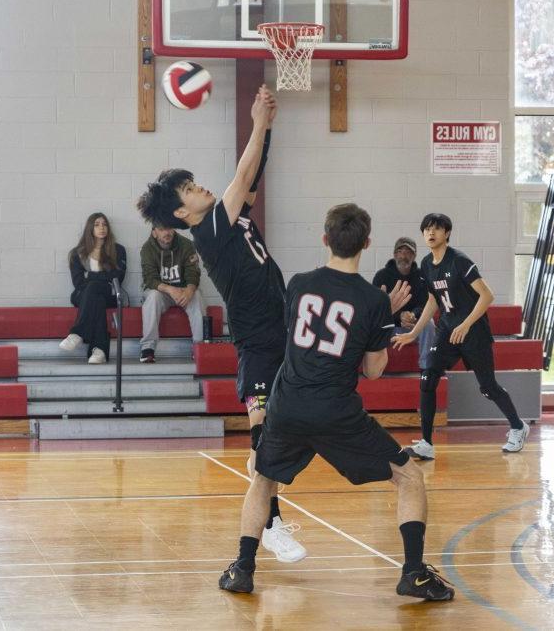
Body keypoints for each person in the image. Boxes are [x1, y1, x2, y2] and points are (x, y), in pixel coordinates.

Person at [218, 204, 453, 601]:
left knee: (262, 477)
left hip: (288, 403)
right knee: (409, 476)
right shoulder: (372, 301)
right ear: (367, 243)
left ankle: (243, 568)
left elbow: (306, 335)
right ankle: (413, 573)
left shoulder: (299, 284)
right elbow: (373, 370)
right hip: (336, 410)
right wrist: (384, 318)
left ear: (325, 239)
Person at [137, 85, 307, 564]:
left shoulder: (230, 219)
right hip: (257, 343)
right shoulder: (209, 232)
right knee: (262, 434)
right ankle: (268, 529)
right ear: (180, 212)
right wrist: (256, 124)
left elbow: (252, 175)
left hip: (285, 334)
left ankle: (267, 504)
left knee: (275, 436)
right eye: (189, 189)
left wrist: (267, 128)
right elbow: (242, 172)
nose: (200, 188)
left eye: (194, 183)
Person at [393, 213, 528, 460]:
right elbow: (433, 300)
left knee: (487, 387)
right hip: (447, 329)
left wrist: (466, 324)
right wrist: (414, 332)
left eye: (436, 229)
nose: (430, 234)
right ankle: (426, 443)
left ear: (447, 233)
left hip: (473, 331)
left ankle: (518, 426)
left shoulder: (459, 261)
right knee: (428, 375)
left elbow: (487, 295)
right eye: (426, 230)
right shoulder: (425, 264)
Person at [59, 213, 127, 364]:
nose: (101, 228)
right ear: (90, 228)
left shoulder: (118, 250)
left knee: (95, 289)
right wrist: (103, 276)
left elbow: (117, 278)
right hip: (83, 295)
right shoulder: (77, 253)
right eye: (97, 224)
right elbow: (78, 282)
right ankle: (99, 351)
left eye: (104, 224)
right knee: (97, 298)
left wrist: (89, 275)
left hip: (110, 292)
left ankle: (77, 334)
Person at [139, 225, 204, 363]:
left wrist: (189, 290)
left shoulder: (186, 244)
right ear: (154, 233)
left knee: (197, 295)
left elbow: (194, 274)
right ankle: (148, 348)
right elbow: (150, 279)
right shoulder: (147, 249)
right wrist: (170, 289)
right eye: (162, 229)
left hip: (183, 291)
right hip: (161, 291)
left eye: (169, 229)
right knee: (152, 297)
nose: (167, 232)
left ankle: (199, 346)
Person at [372, 236, 433, 368]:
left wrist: (413, 316)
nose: (404, 255)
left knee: (429, 323)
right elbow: (376, 309)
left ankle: (427, 369)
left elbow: (425, 304)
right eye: (400, 251)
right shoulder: (381, 276)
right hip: (389, 329)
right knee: (369, 325)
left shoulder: (423, 277)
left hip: (413, 327)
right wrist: (399, 316)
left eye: (408, 252)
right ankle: (373, 368)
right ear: (394, 254)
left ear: (414, 255)